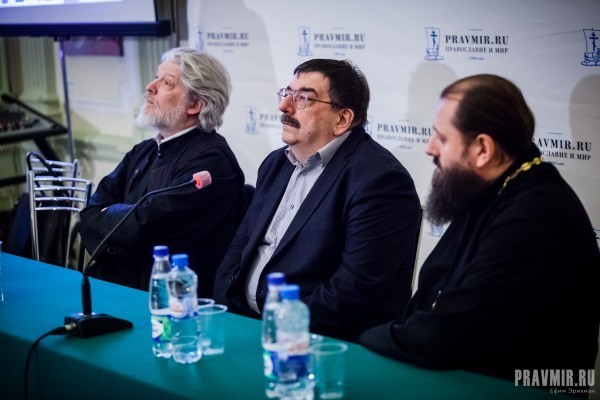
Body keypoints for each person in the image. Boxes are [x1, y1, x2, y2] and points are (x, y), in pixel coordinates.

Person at [359, 74, 600, 393]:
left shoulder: (533, 217)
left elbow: (444, 336)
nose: (430, 148)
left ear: (483, 149)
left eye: (442, 138)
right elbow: (433, 292)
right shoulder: (496, 185)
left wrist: (365, 336)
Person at [213, 59, 421, 341]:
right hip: (247, 323)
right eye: (287, 93)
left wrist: (278, 327)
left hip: (319, 341)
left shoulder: (380, 181)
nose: (284, 106)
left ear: (342, 119)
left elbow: (354, 291)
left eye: (303, 99)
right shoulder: (275, 164)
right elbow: (240, 248)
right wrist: (227, 310)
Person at [80, 48, 247, 296]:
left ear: (195, 105)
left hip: (168, 298)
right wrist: (113, 221)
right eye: (156, 77)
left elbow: (146, 228)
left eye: (166, 83)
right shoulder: (143, 150)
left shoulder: (212, 163)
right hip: (113, 281)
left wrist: (110, 216)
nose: (150, 87)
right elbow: (89, 214)